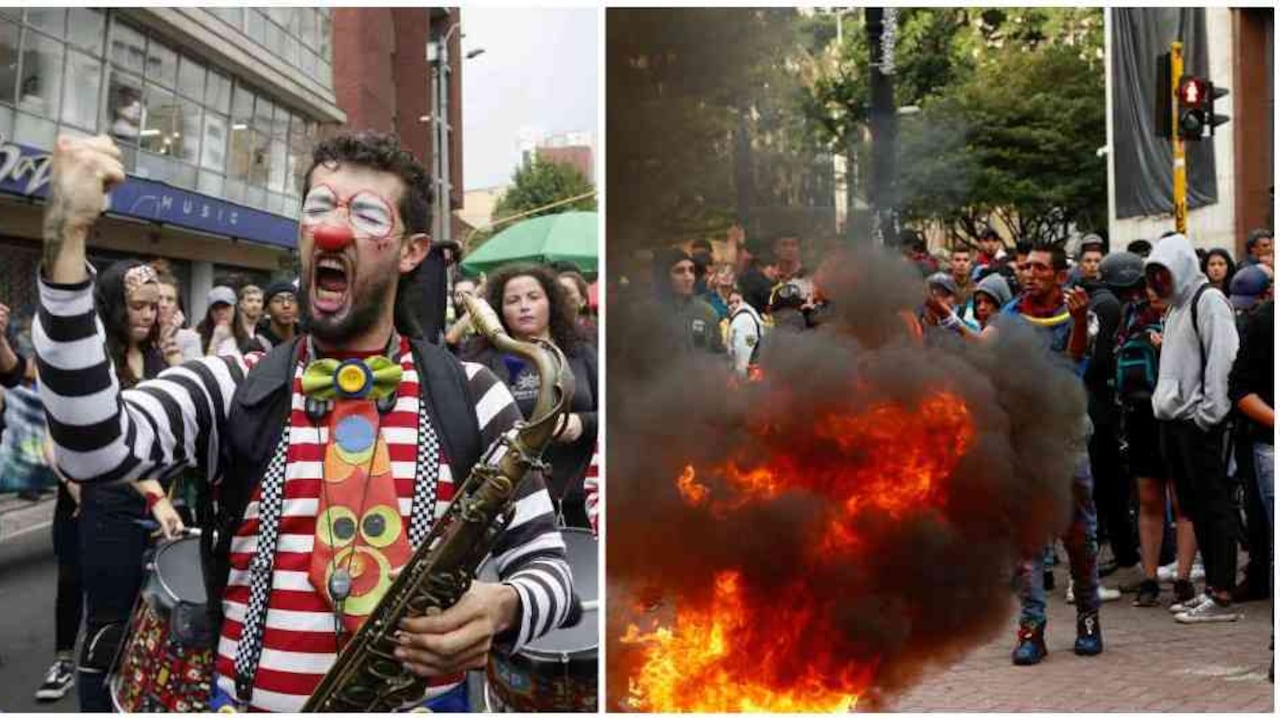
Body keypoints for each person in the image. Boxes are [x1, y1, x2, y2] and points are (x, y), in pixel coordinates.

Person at [34, 132, 573, 712]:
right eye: (318, 207)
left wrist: (506, 606)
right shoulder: (233, 384)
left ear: (411, 251)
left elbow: (550, 569)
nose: (331, 230)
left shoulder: (472, 395)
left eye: (366, 214)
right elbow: (91, 449)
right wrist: (64, 242)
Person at [71, 260, 183, 710]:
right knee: (108, 629)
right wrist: (157, 498)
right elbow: (113, 444)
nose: (147, 315)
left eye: (154, 307)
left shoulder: (156, 357)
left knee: (151, 628)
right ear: (115, 307)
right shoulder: (99, 363)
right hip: (112, 511)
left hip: (160, 511)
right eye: (137, 306)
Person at [1000, 243, 1103, 665]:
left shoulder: (1083, 313)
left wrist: (1077, 322)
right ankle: (1031, 631)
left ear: (1061, 276)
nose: (1030, 273)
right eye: (1025, 267)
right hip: (1025, 442)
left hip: (1067, 440)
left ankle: (1089, 620)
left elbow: (1072, 364)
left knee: (1079, 536)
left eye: (1040, 268)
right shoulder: (1011, 315)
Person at [1144, 233, 1241, 623]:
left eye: (1162, 273)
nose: (1158, 282)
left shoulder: (1208, 301)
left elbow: (1224, 361)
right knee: (1195, 508)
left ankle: (1220, 592)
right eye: (1153, 275)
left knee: (1214, 507)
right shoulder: (1177, 307)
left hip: (1197, 425)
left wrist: (1208, 416)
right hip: (1175, 423)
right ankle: (1211, 590)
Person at [468, 264, 598, 530]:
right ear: (500, 310)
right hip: (516, 505)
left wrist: (583, 423)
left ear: (552, 302)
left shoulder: (582, 352)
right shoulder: (485, 362)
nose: (524, 306)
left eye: (533, 297)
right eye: (513, 301)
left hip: (583, 501)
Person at [1101, 252, 1198, 608]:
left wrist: (1169, 349)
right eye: (1148, 284)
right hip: (1140, 417)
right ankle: (1150, 576)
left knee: (1182, 498)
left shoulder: (1189, 313)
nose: (1153, 292)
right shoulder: (1131, 316)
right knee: (1148, 498)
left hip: (1178, 417)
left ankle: (1184, 579)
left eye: (1161, 282)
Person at [654, 247, 724, 354]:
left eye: (691, 270)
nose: (689, 277)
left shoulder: (707, 313)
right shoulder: (648, 314)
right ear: (665, 276)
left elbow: (718, 354)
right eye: (679, 271)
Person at [214, 283, 266, 356]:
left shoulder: (265, 330)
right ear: (241, 303)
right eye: (250, 300)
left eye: (259, 301)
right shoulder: (231, 329)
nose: (255, 305)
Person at [726, 287, 765, 378]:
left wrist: (741, 379)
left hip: (747, 378)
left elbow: (743, 351)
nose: (734, 305)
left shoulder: (744, 320)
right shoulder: (745, 317)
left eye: (738, 301)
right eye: (730, 302)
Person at [256, 280, 300, 350]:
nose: (286, 305)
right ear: (267, 309)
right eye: (278, 300)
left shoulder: (308, 340)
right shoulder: (257, 346)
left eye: (291, 299)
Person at [557, 268, 598, 341]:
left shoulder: (594, 333)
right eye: (557, 292)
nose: (561, 296)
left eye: (566, 292)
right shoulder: (545, 330)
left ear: (582, 300)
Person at [195, 285, 237, 356]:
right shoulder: (198, 337)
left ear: (234, 309)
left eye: (225, 307)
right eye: (215, 308)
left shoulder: (244, 339)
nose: (220, 312)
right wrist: (216, 339)